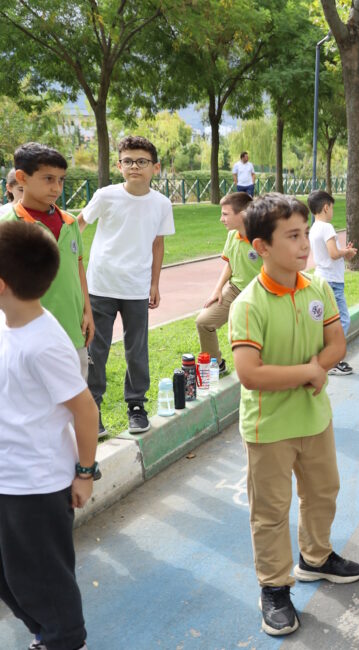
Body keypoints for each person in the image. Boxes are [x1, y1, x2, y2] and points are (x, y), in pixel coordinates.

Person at [228, 194, 359, 637]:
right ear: (261, 246)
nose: (305, 244)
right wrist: (310, 370)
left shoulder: (317, 288)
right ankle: (274, 587)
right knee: (270, 511)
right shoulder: (248, 304)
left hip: (314, 418)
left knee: (323, 491)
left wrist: (320, 367)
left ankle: (316, 557)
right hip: (269, 429)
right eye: (292, 236)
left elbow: (337, 345)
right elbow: (250, 374)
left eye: (305, 233)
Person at [0, 219, 99, 650]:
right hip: (7, 476)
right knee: (9, 575)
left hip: (36, 485)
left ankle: (63, 638)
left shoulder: (44, 343)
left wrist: (85, 472)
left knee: (42, 575)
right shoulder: (8, 324)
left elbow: (85, 409)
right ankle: (45, 631)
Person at [79, 135, 175, 435]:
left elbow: (157, 244)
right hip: (100, 286)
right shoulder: (106, 195)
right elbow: (78, 225)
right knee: (97, 349)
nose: (135, 166)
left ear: (155, 167)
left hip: (136, 288)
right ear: (119, 165)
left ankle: (136, 405)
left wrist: (155, 282)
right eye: (129, 161)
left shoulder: (161, 203)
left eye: (142, 161)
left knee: (137, 349)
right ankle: (91, 409)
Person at [3, 143, 94, 382]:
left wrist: (87, 310)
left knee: (75, 401)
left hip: (73, 333)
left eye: (61, 180)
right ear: (21, 178)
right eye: (48, 179)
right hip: (28, 336)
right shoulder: (8, 225)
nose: (56, 187)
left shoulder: (71, 222)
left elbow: (78, 266)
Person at [194, 192, 262, 374]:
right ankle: (216, 365)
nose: (221, 219)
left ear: (244, 214)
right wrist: (218, 290)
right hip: (234, 289)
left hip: (260, 295)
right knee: (204, 322)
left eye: (225, 214)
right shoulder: (233, 235)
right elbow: (230, 264)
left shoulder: (264, 238)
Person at [307, 189, 357, 376]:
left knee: (326, 321)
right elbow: (334, 254)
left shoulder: (314, 228)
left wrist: (343, 251)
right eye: (332, 208)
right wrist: (346, 252)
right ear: (326, 207)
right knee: (342, 320)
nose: (332, 211)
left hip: (321, 277)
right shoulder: (327, 227)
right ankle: (333, 359)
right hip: (332, 281)